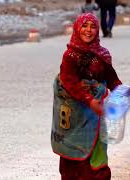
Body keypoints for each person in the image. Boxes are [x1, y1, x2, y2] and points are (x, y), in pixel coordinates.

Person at [51, 13, 122, 180]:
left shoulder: (102, 54)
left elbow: (112, 78)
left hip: (95, 118)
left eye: (93, 26)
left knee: (96, 155)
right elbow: (69, 82)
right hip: (75, 117)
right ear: (77, 28)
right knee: (74, 153)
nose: (88, 30)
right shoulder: (70, 56)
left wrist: (121, 91)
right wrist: (89, 100)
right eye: (84, 26)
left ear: (97, 30)